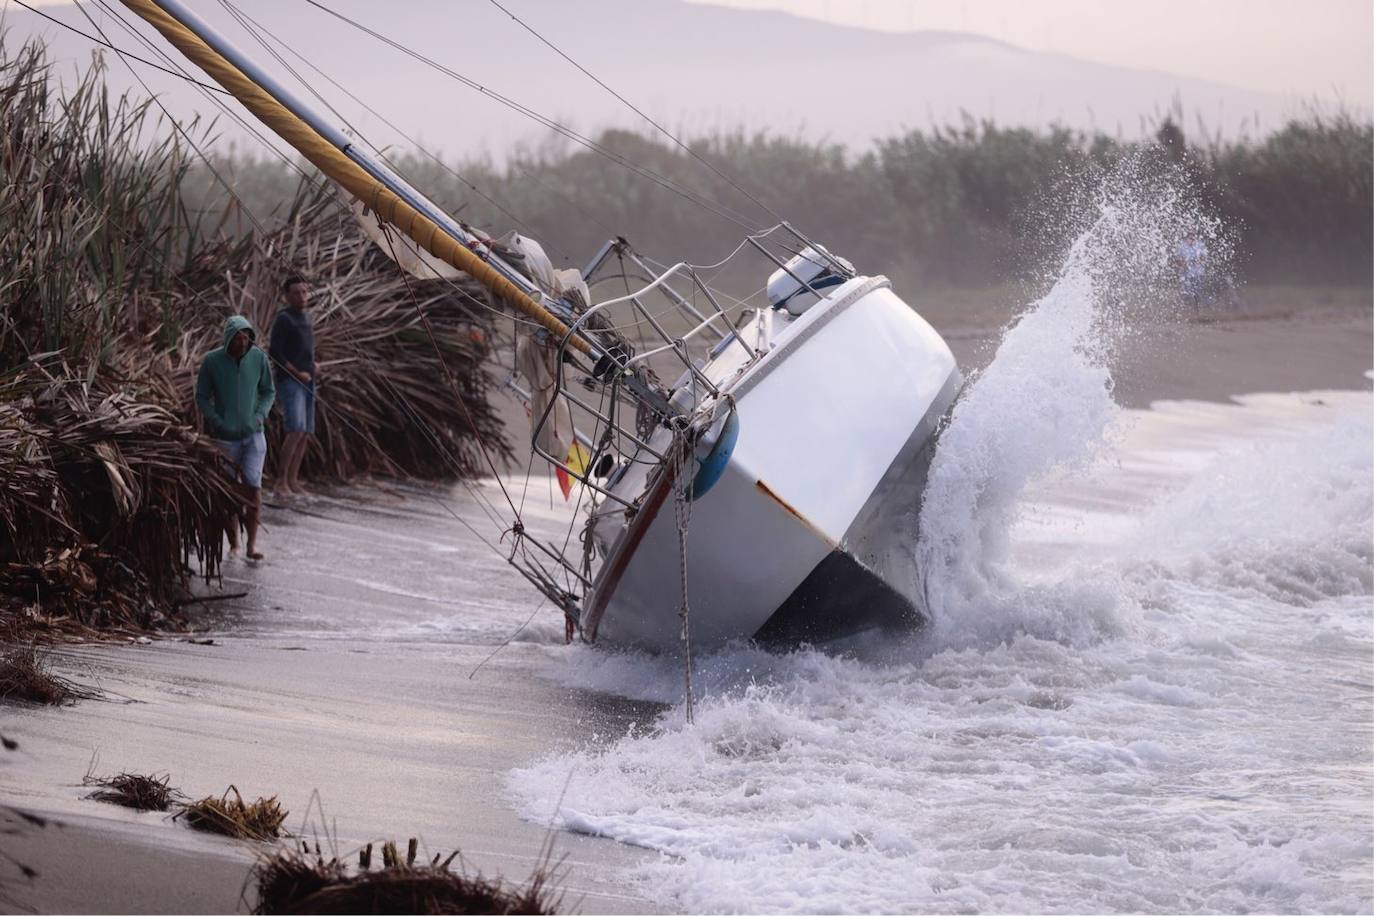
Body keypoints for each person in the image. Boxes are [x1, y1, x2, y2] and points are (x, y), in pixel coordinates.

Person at [196, 315, 275, 560]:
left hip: (254, 434)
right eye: (238, 338)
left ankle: (252, 545)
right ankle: (234, 544)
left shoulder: (259, 358)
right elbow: (201, 397)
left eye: (246, 338)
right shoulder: (212, 361)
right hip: (225, 437)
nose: (243, 343)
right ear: (229, 339)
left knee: (253, 488)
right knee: (228, 491)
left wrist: (260, 414)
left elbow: (268, 391)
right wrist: (217, 421)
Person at [269, 274, 318, 497]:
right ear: (287, 296)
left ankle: (293, 479)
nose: (302, 297)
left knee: (306, 432)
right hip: (290, 381)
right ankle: (281, 480)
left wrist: (312, 365)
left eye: (304, 292)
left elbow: (304, 349)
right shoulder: (284, 319)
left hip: (309, 380)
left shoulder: (306, 318)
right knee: (295, 429)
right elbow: (276, 354)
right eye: (296, 293)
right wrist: (297, 372)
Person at [1174, 231, 1209, 312]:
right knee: (1186, 293)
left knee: (1197, 293)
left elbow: (1204, 257)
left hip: (1198, 273)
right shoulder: (1182, 247)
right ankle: (1188, 310)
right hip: (1186, 274)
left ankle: (1197, 310)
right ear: (1187, 239)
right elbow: (1178, 260)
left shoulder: (1200, 245)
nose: (1192, 240)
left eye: (1194, 238)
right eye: (1190, 238)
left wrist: (1199, 260)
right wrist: (1183, 264)